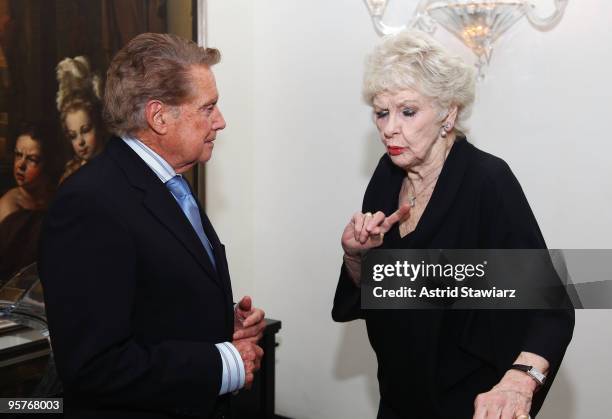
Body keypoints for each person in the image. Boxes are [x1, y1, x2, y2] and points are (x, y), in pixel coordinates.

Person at [332, 30, 574, 419]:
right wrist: (356, 257)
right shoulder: (387, 176)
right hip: (399, 397)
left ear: (449, 113)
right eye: (382, 112)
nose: (390, 128)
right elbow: (377, 291)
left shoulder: (486, 181)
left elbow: (551, 309)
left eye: (408, 111)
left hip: (469, 402)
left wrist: (518, 382)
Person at [39, 33, 265, 419]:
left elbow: (147, 298)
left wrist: (218, 320)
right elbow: (94, 366)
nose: (221, 121)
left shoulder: (169, 182)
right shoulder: (90, 203)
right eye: (208, 108)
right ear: (159, 117)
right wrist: (223, 363)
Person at [0, 123, 58, 283]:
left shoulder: (57, 198)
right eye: (18, 155)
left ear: (48, 163)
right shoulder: (8, 206)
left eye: (32, 159)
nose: (20, 165)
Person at [55, 56, 107, 183]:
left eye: (86, 130)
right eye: (73, 136)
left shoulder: (116, 167)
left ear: (98, 125)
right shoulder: (70, 175)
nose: (80, 142)